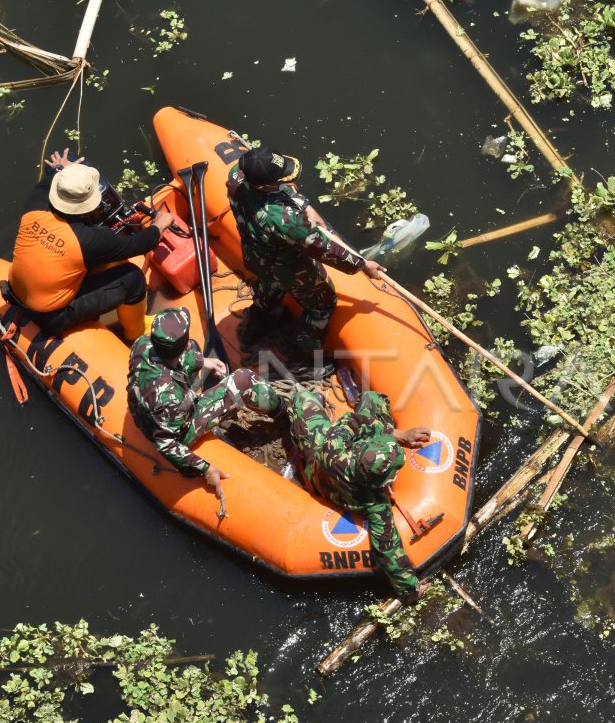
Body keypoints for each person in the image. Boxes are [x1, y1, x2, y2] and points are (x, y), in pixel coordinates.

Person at [226, 147, 385, 359]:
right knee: (323, 303)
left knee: (269, 285)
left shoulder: (237, 175)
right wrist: (362, 265)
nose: (284, 180)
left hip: (256, 257)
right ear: (264, 184)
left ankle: (257, 320)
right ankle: (301, 355)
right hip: (286, 268)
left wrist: (305, 205)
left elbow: (280, 188)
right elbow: (325, 249)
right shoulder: (284, 219)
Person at [6, 149, 174, 341]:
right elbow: (139, 244)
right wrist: (159, 225)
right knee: (133, 279)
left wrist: (64, 170)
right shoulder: (90, 240)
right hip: (51, 316)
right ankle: (136, 333)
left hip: (16, 290)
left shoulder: (36, 198)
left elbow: (53, 175)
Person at [287, 387, 431, 599]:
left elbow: (352, 422)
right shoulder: (373, 503)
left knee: (302, 398)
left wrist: (395, 435)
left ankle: (301, 408)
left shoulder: (336, 442)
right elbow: (388, 552)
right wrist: (411, 591)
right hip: (323, 481)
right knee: (373, 399)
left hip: (317, 460)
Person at [128, 307, 285, 496]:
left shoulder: (141, 344)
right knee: (244, 379)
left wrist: (203, 361)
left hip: (149, 408)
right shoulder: (170, 399)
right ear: (181, 347)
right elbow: (165, 443)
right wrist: (205, 468)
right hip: (176, 427)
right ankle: (282, 410)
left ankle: (193, 390)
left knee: (195, 347)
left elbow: (166, 362)